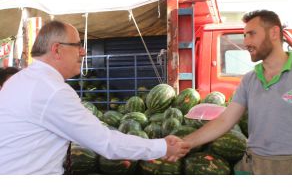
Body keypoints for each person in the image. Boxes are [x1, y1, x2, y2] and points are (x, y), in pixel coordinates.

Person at [0, 20, 190, 175]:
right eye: (77, 45)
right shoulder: (52, 90)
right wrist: (162, 147)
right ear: (57, 49)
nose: (83, 52)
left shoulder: (21, 80)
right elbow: (106, 143)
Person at [183, 10, 292, 175]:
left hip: (291, 167)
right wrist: (185, 142)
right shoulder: (249, 79)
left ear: (274, 33)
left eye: (251, 34)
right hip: (253, 165)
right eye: (244, 35)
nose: (246, 42)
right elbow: (225, 120)